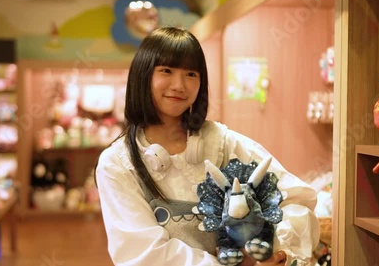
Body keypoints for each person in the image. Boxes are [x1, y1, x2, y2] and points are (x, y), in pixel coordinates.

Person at [95, 26, 320, 266]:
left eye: (191, 74)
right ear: (143, 76)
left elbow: (295, 199)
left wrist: (272, 251)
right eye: (166, 70)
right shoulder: (118, 163)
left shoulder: (222, 144)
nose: (179, 85)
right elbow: (144, 254)